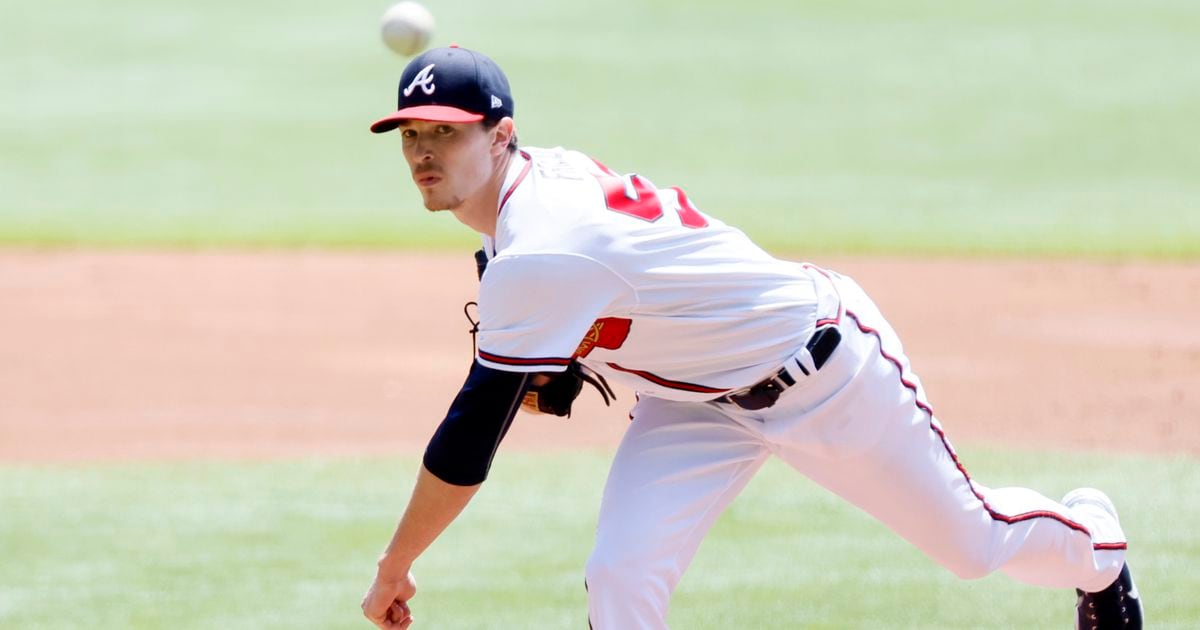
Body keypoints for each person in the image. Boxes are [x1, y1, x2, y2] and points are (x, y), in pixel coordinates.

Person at [359, 45, 1142, 630]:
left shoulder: (541, 247)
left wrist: (396, 566)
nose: (424, 152)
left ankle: (1098, 551)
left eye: (448, 133)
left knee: (974, 544)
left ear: (501, 138)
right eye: (411, 135)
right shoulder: (529, 195)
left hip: (826, 373)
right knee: (621, 576)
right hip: (690, 403)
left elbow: (468, 444)